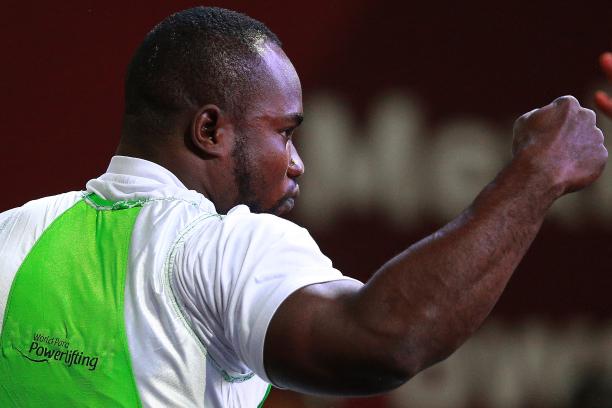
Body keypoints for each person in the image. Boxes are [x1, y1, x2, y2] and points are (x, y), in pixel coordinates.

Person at [0, 6, 607, 408]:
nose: (297, 164)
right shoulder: (213, 248)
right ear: (210, 131)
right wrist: (539, 172)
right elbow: (388, 339)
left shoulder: (12, 235)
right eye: (285, 133)